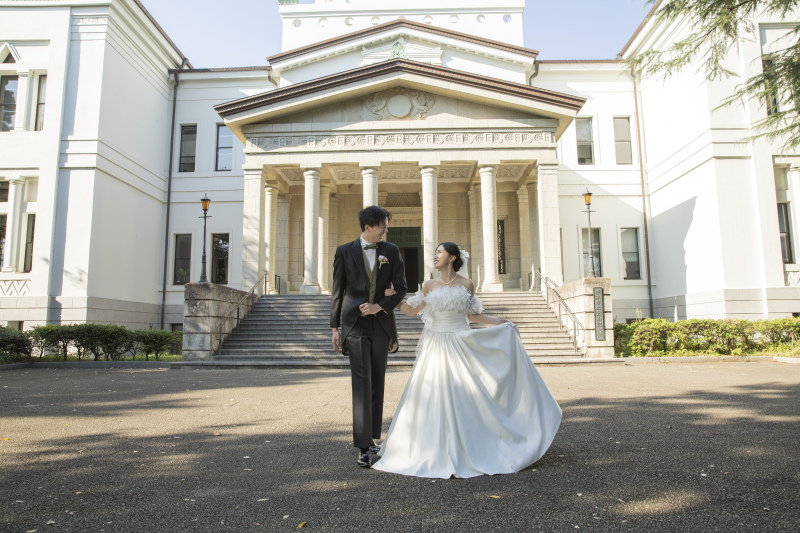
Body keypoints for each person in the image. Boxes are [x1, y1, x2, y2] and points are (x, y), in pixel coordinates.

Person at [372, 242, 562, 479]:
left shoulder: (467, 284)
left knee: (466, 393)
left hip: (460, 340)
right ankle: (430, 447)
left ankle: (474, 444)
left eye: (439, 252)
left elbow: (473, 315)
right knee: (433, 393)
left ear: (452, 257)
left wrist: (500, 322)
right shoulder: (429, 284)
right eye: (435, 252)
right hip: (436, 343)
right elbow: (412, 311)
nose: (435, 255)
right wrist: (393, 299)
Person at [330, 206, 408, 468]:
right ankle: (363, 446)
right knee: (361, 384)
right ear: (368, 227)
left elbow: (402, 289)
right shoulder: (344, 251)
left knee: (377, 382)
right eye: (383, 226)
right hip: (354, 327)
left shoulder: (391, 251)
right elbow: (337, 292)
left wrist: (380, 306)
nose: (386, 230)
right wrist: (334, 328)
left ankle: (373, 437)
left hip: (381, 325)